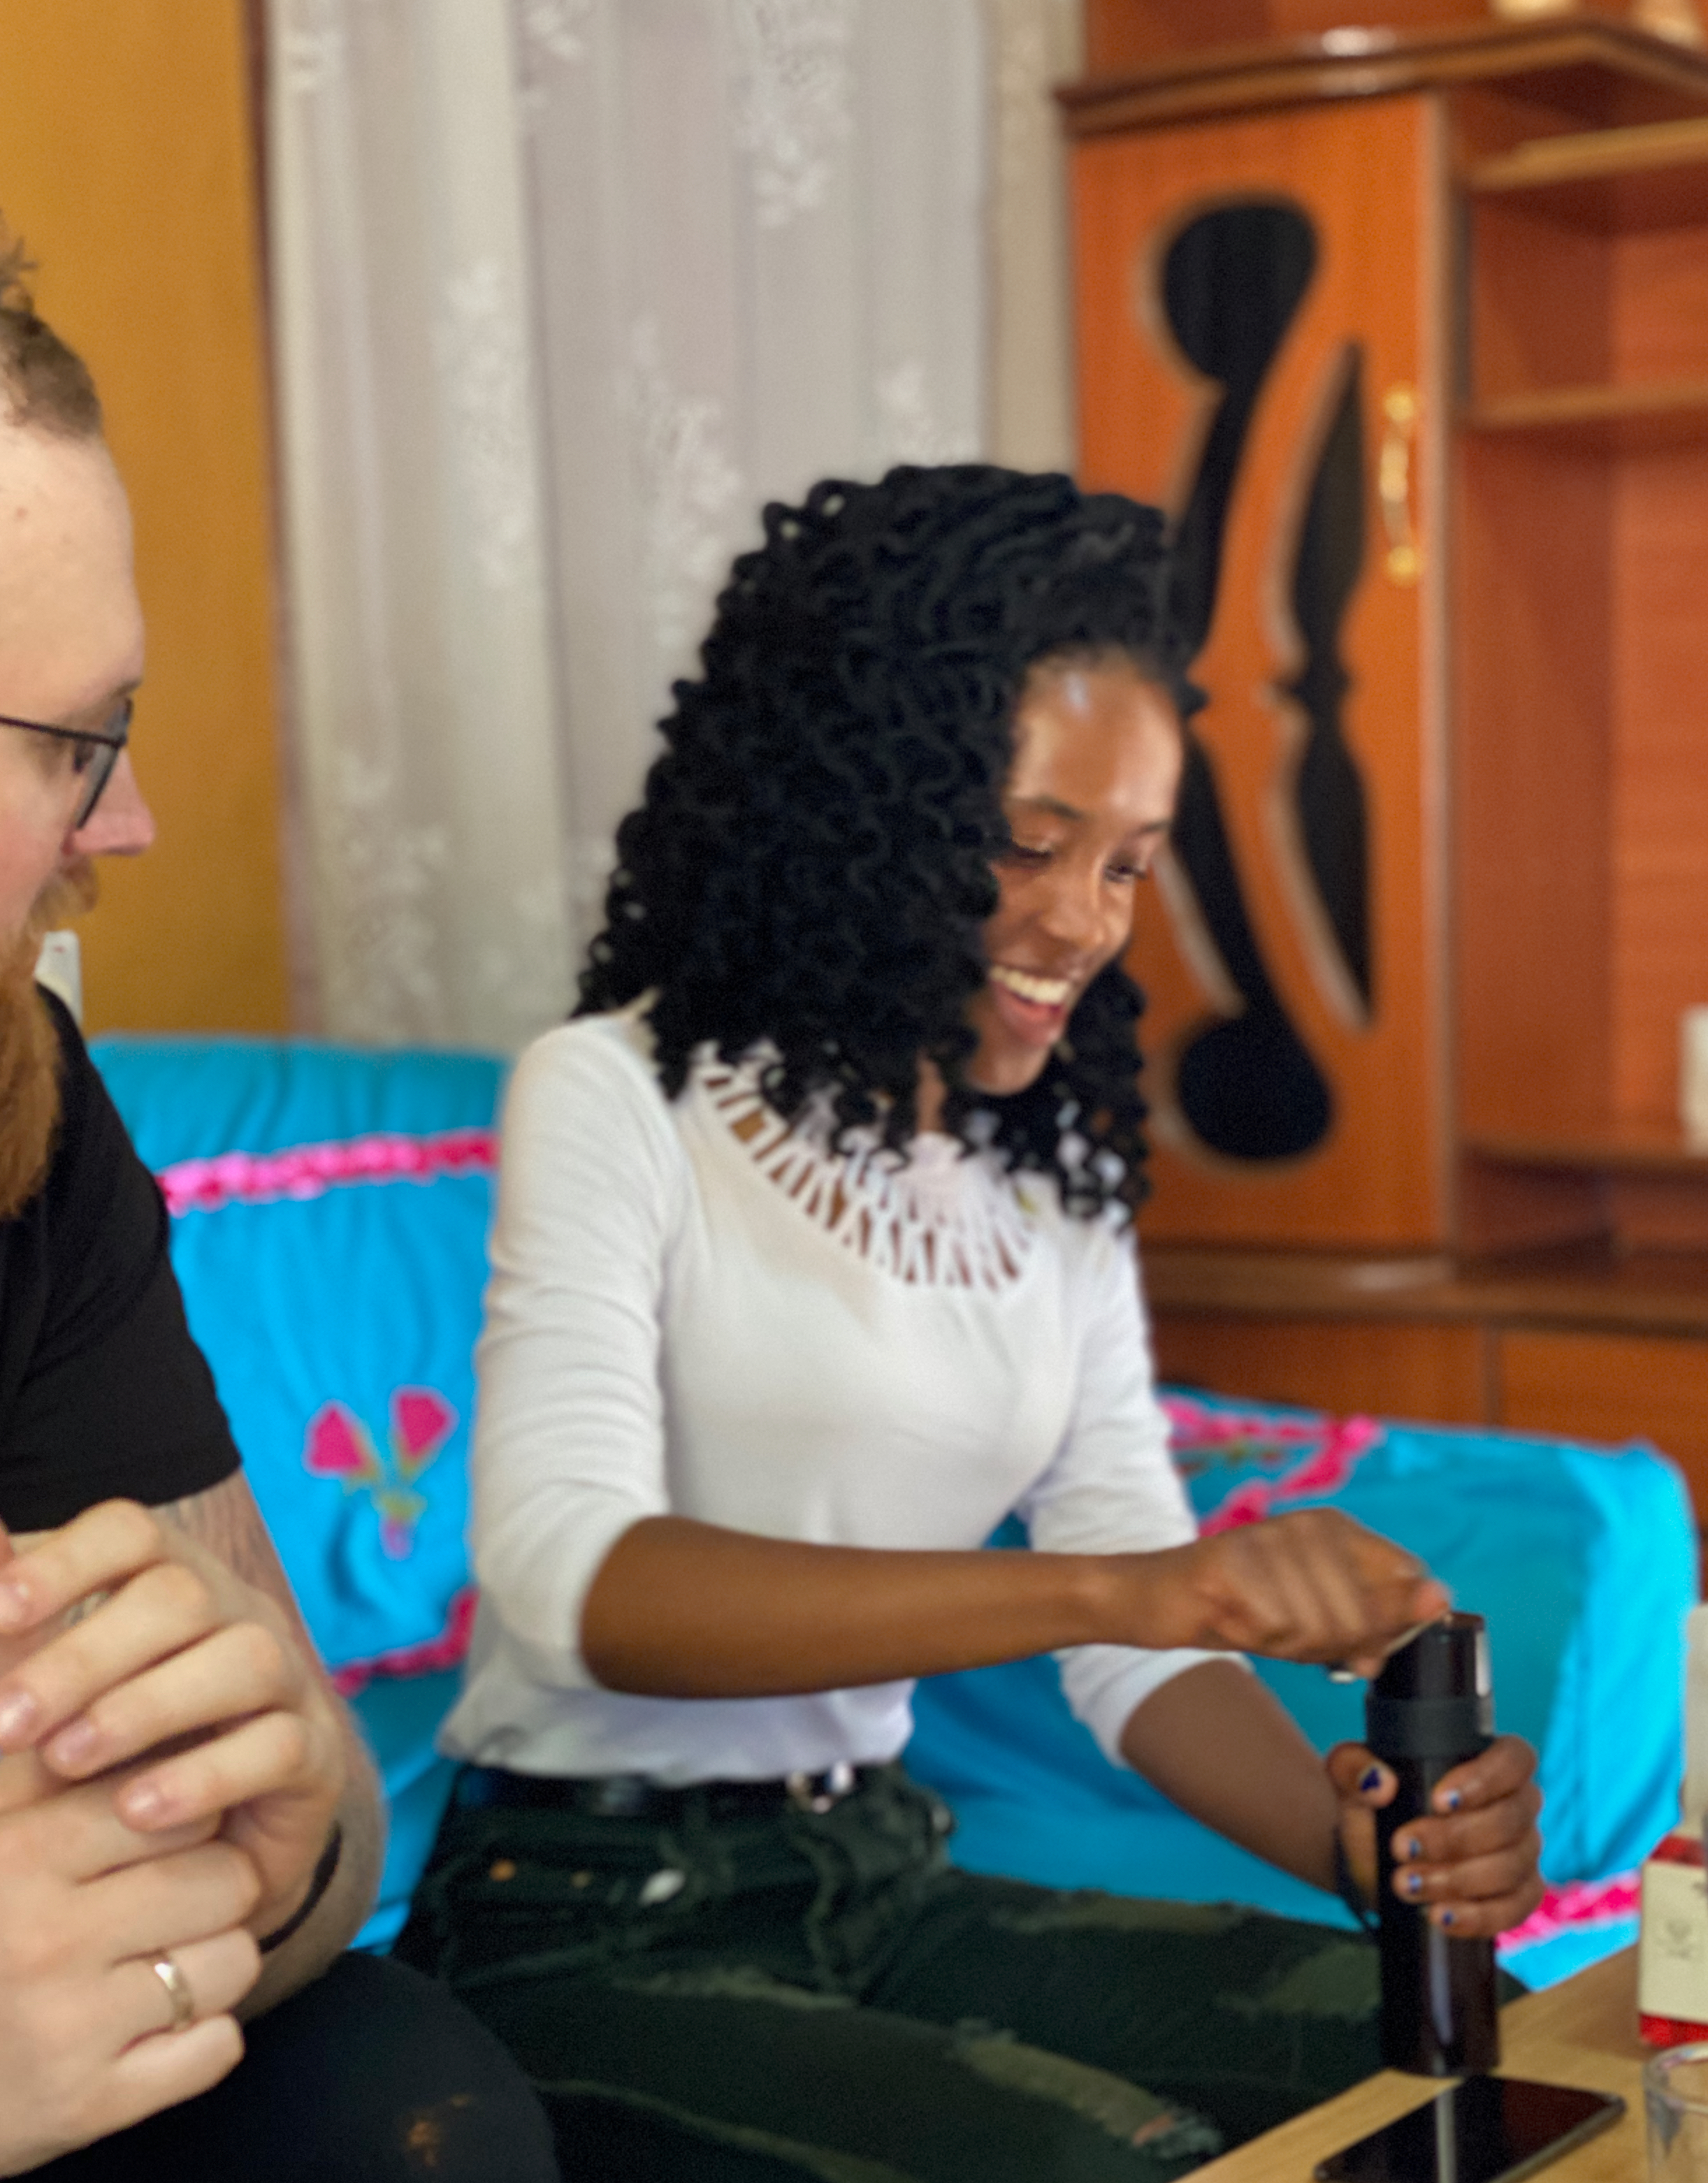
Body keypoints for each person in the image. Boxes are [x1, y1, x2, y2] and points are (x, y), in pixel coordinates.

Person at [393, 465, 1546, 2182]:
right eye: (1029, 842)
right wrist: (1131, 1584)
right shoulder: (619, 1095)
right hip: (584, 1917)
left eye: (1132, 866)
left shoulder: (1049, 1184)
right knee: (1113, 2160)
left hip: (881, 1870)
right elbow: (571, 1583)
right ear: (858, 797)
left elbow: (1137, 1632)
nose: (1083, 919)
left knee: (1448, 2060)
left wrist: (1366, 1844)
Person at [0, 205, 555, 2182]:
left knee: (399, 2115)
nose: (126, 823)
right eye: (71, 741)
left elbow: (316, 1832)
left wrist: (273, 1829)